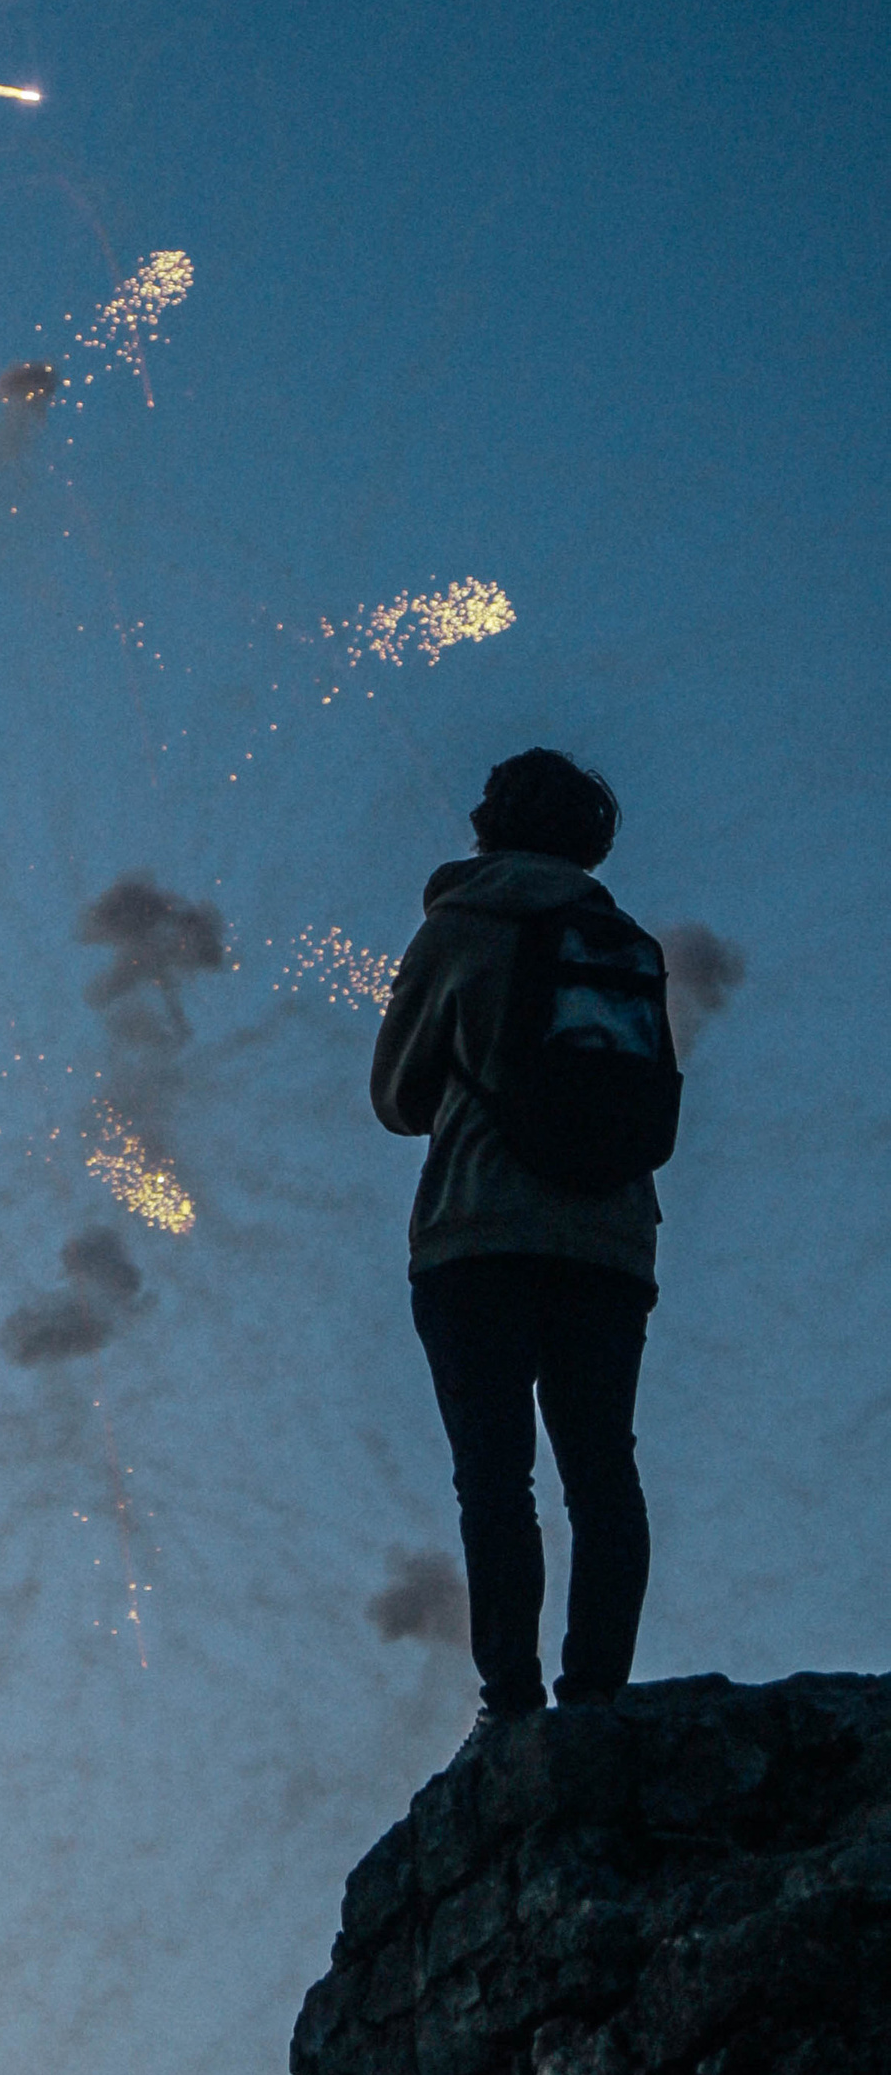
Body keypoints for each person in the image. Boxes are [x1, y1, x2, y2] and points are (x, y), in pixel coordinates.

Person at [372, 748, 666, 1745]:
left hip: (477, 1232)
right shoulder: (620, 939)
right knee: (601, 1468)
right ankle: (597, 1693)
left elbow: (396, 1096)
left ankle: (511, 1707)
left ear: (489, 826)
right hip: (611, 1243)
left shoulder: (461, 926)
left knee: (494, 1478)